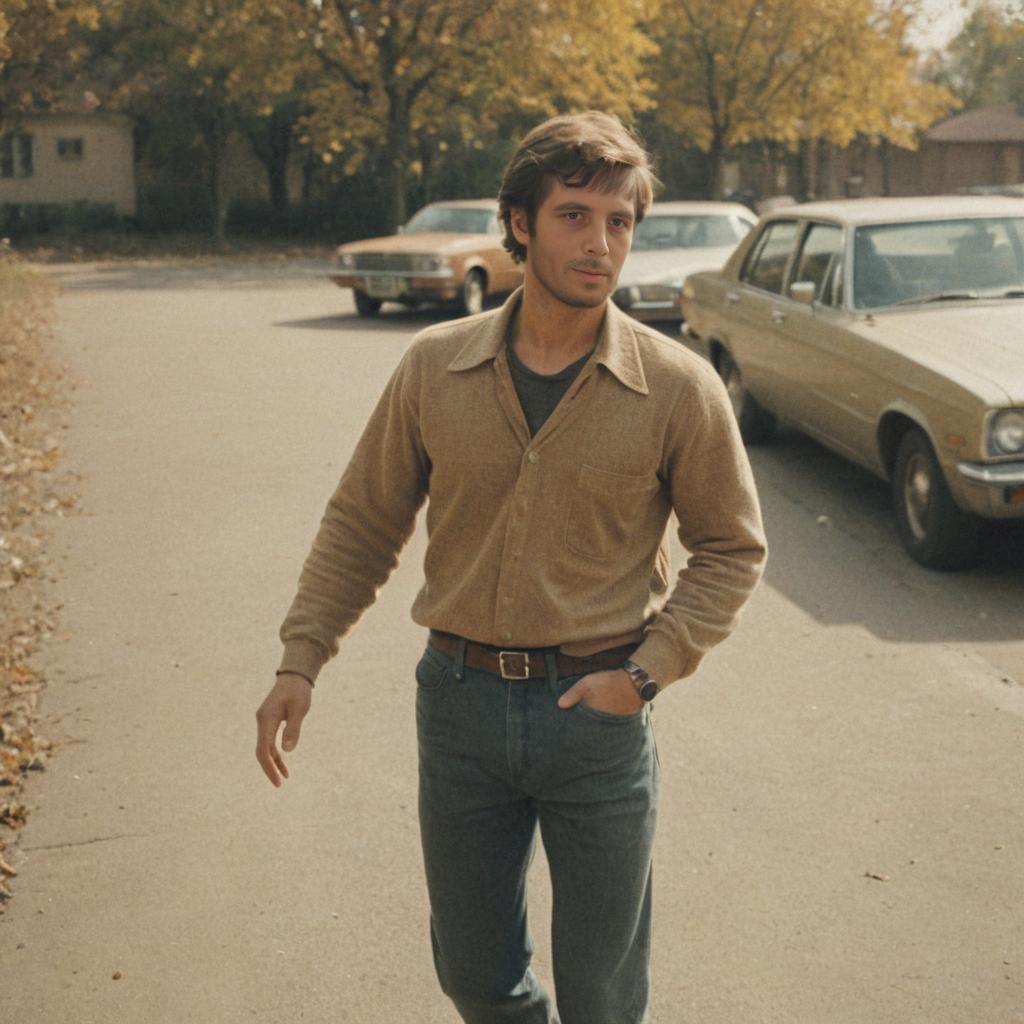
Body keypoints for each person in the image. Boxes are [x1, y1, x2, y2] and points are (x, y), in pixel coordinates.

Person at [255, 111, 767, 1024]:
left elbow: (732, 546)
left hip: (598, 720)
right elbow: (362, 523)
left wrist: (648, 671)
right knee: (475, 975)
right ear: (520, 223)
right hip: (459, 707)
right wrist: (302, 657)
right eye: (575, 215)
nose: (601, 243)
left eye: (620, 221)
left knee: (604, 992)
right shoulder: (433, 365)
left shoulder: (677, 385)